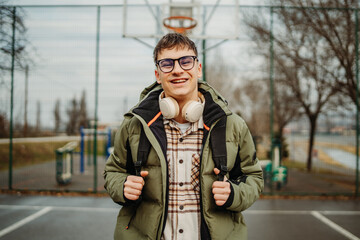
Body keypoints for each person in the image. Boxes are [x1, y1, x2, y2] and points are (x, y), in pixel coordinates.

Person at [104, 33, 263, 240]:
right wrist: (123, 186)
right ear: (157, 74)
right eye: (167, 64)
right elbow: (112, 172)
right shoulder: (134, 124)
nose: (178, 69)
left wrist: (233, 194)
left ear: (198, 68)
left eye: (186, 61)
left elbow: (254, 178)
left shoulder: (232, 125)